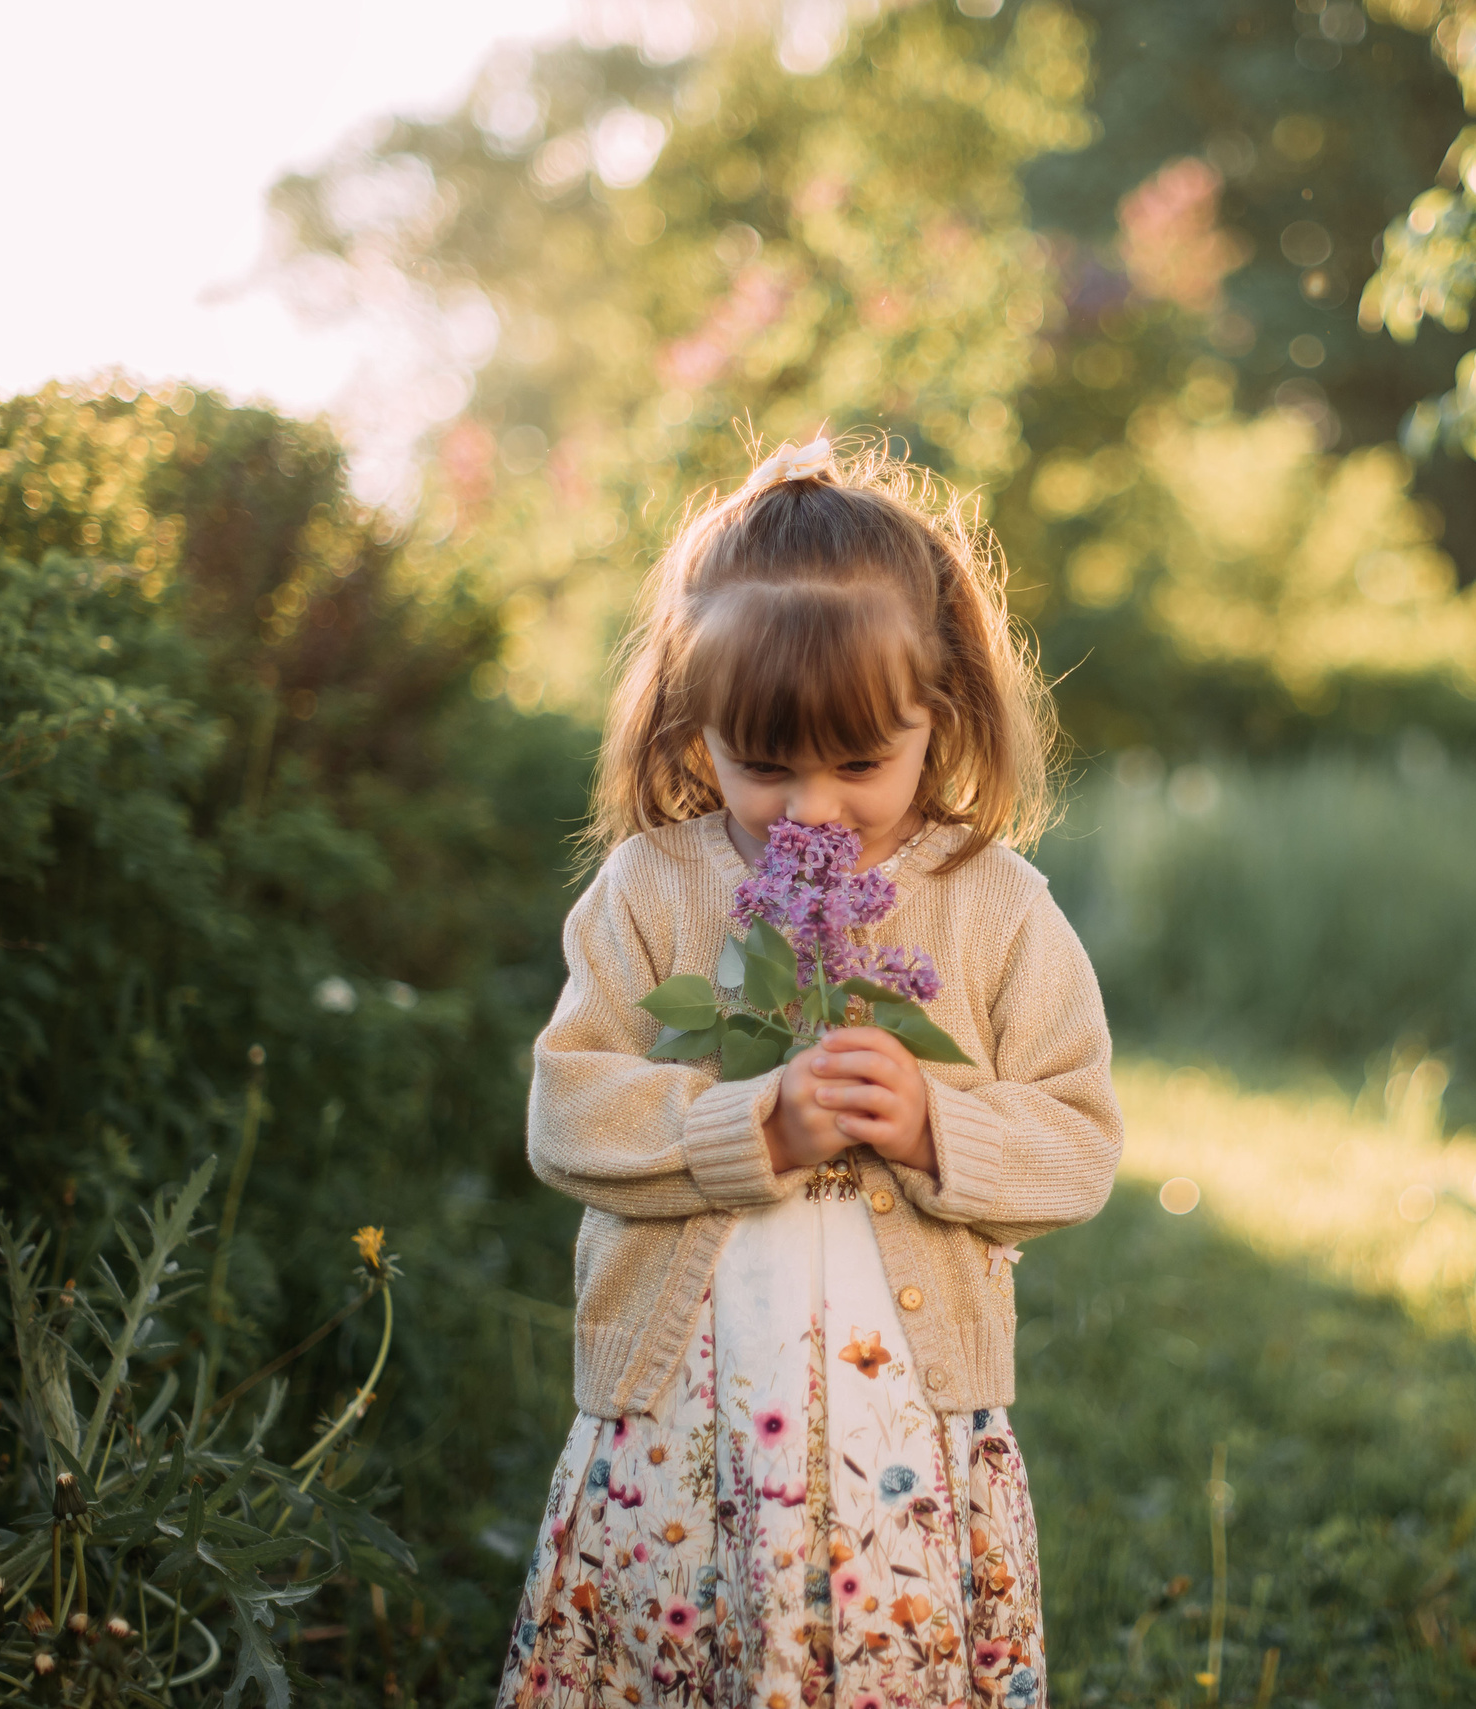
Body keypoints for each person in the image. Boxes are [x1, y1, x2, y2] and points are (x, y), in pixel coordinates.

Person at [497, 435, 1121, 1707]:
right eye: (764, 764)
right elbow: (568, 1111)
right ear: (694, 725)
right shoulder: (655, 891)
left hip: (904, 1440)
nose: (813, 811)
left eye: (859, 763)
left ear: (936, 719)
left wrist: (937, 1123)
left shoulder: (990, 904)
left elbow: (1079, 1139)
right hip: (688, 1427)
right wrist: (751, 1125)